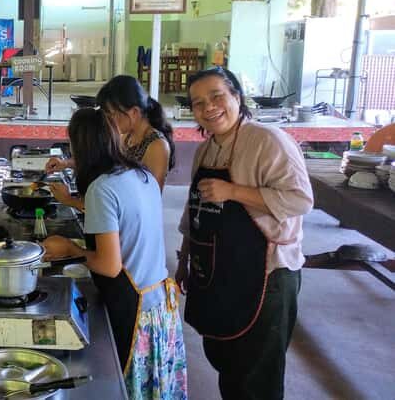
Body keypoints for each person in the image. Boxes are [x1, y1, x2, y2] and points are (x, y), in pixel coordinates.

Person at [176, 67, 312, 400]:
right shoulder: (206, 150)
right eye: (198, 103)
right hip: (219, 272)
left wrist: (234, 191)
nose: (208, 107)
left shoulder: (268, 141)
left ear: (237, 97)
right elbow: (194, 210)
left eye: (217, 96)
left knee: (257, 378)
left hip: (267, 276)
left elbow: (300, 200)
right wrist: (185, 260)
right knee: (226, 360)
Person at [43, 107, 187, 400]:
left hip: (136, 311)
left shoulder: (101, 188)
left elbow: (109, 266)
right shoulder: (138, 174)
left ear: (79, 146)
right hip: (159, 308)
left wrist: (70, 248)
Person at [47, 75, 175, 209]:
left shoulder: (157, 146)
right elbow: (104, 162)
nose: (108, 120)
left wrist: (71, 201)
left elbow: (148, 202)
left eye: (111, 114)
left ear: (134, 112)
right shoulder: (125, 135)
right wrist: (66, 163)